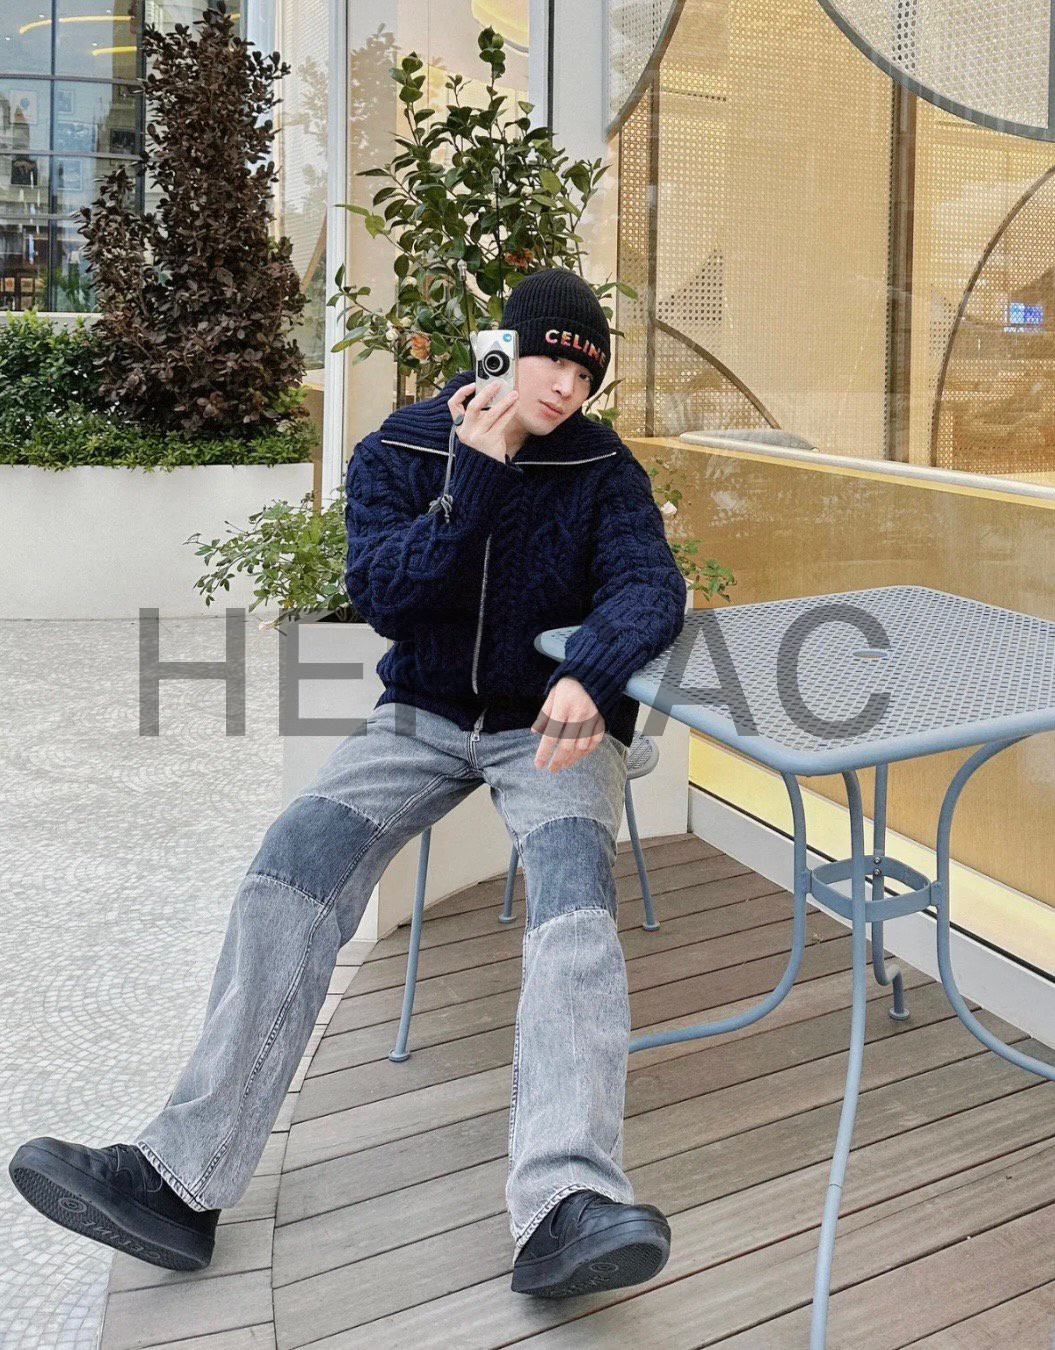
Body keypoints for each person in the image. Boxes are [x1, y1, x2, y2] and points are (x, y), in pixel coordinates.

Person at [8, 267, 688, 1300]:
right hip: (420, 715)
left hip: (545, 731)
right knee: (288, 870)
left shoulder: (601, 467)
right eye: (550, 358)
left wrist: (588, 673)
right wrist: (475, 476)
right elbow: (383, 593)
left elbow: (650, 585)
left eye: (584, 372)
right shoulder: (403, 449)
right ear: (501, 349)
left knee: (572, 914)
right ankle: (179, 1181)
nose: (564, 386)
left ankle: (566, 1201)